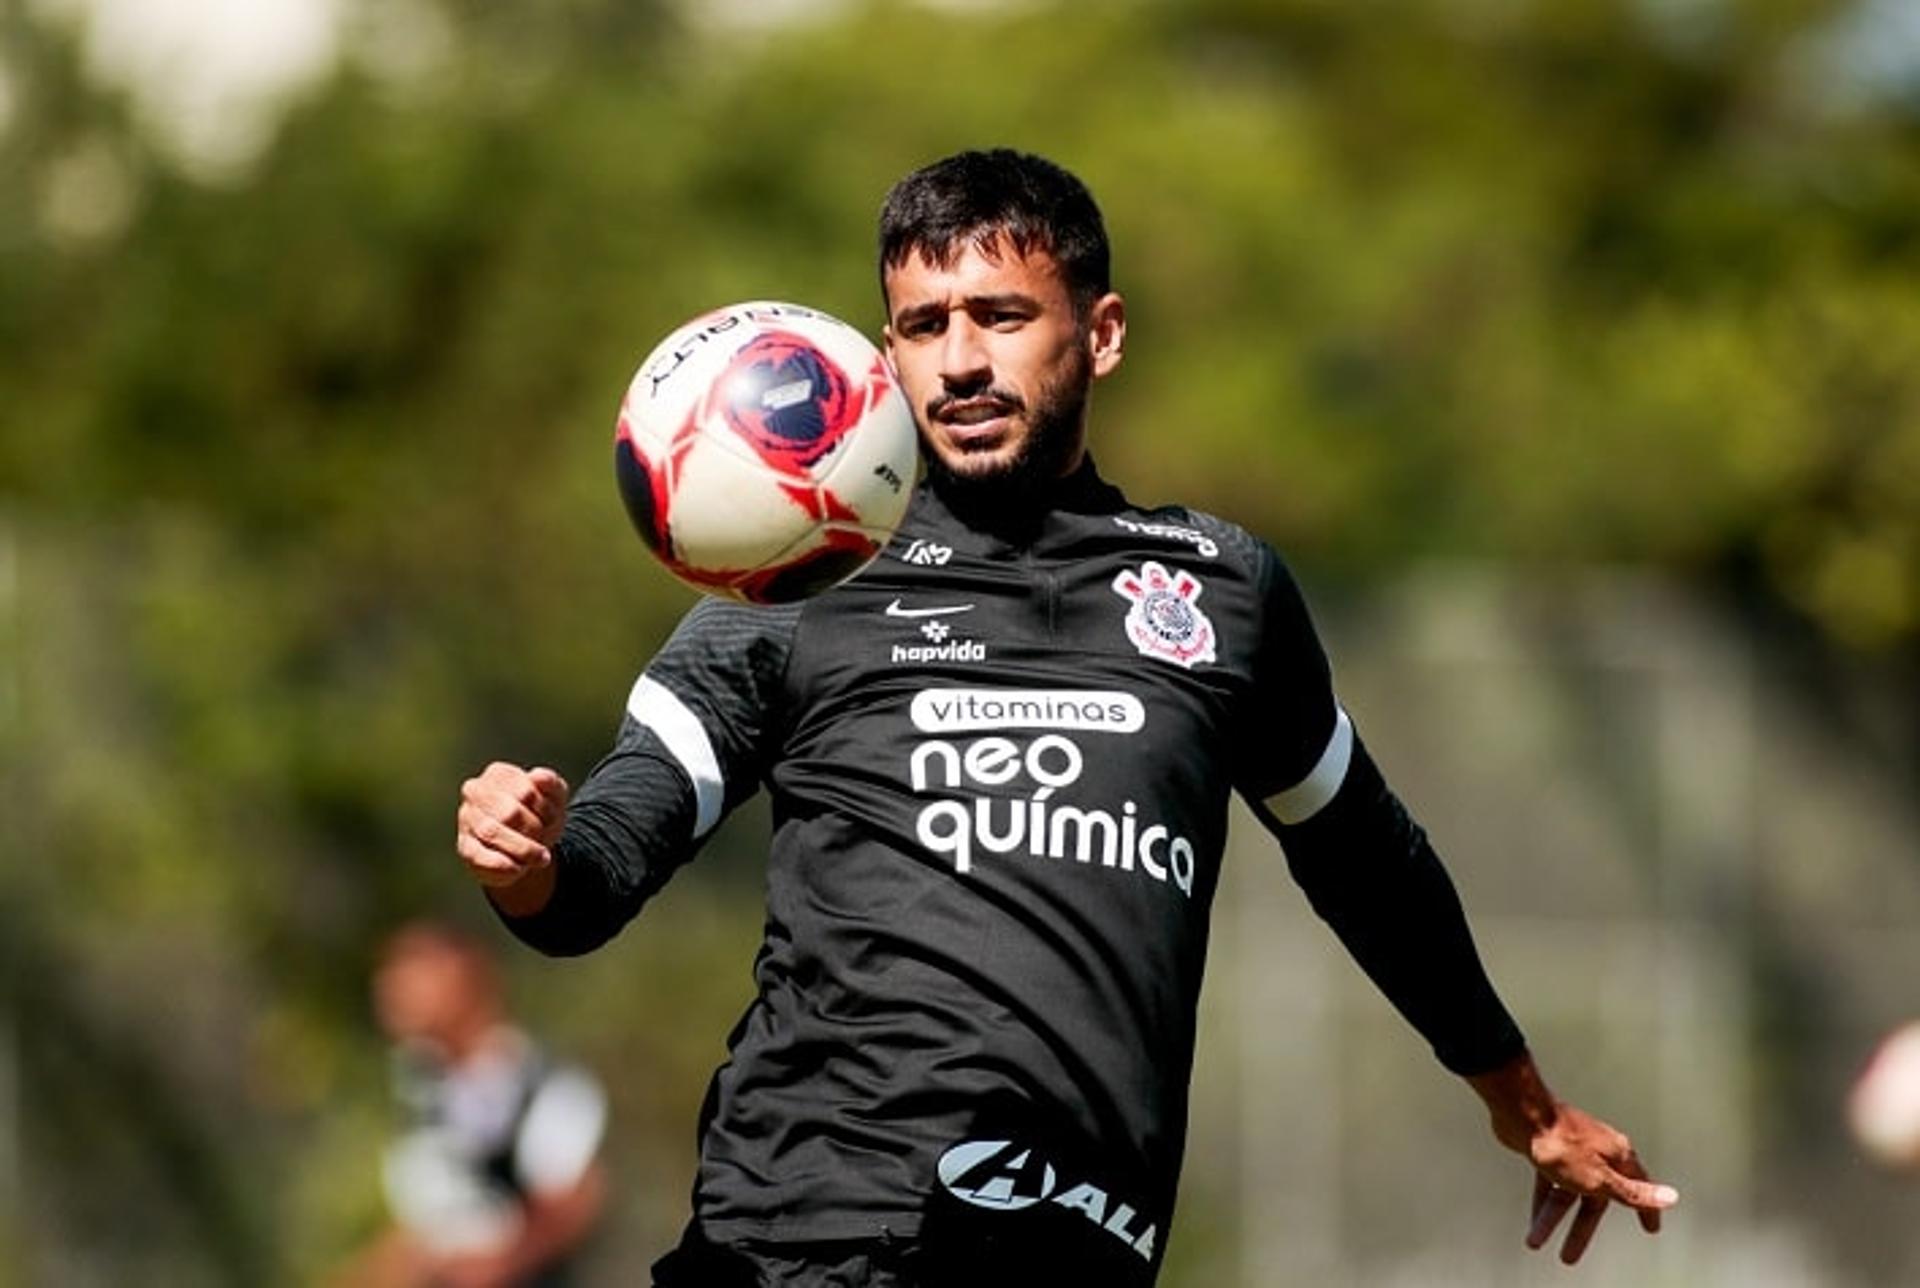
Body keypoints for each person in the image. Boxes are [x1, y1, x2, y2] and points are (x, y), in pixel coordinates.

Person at [455, 148, 1678, 1285]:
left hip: (1075, 1245)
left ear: (1099, 333)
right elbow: (598, 871)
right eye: (926, 327)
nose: (962, 362)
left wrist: (1524, 1103)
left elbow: (1367, 860)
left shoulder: (1215, 589)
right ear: (888, 351)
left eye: (1001, 316)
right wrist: (531, 855)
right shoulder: (799, 582)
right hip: (803, 1231)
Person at [337, 922, 609, 1288]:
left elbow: (574, 1203)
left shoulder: (541, 1085)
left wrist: (498, 1262)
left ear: (466, 974)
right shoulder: (418, 1093)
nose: (389, 986)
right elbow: (431, 1231)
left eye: (413, 966)